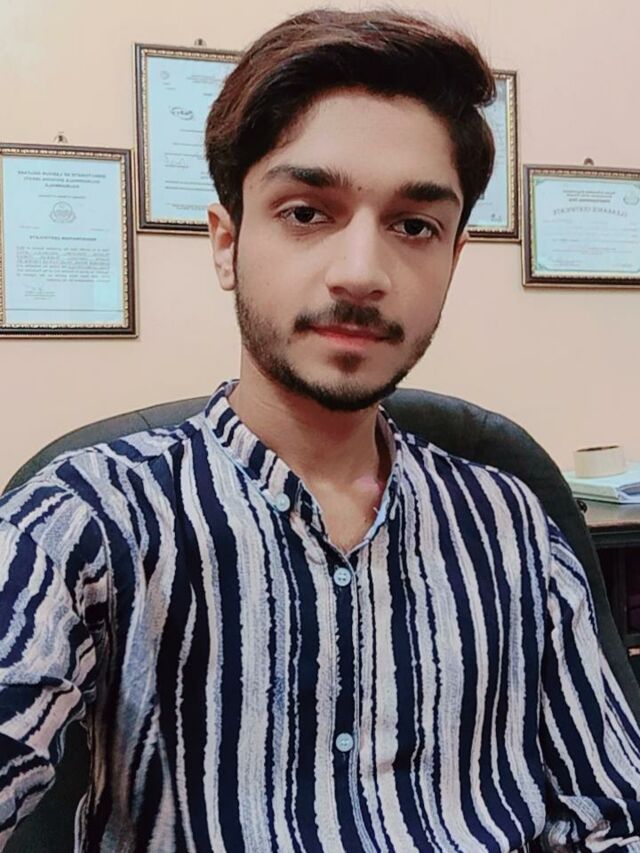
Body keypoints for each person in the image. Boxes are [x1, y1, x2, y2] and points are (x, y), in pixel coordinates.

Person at [1, 8, 640, 851]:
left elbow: (613, 814)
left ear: (452, 258)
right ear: (227, 243)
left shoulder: (514, 528)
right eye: (306, 212)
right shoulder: (84, 520)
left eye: (414, 226)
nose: (362, 273)